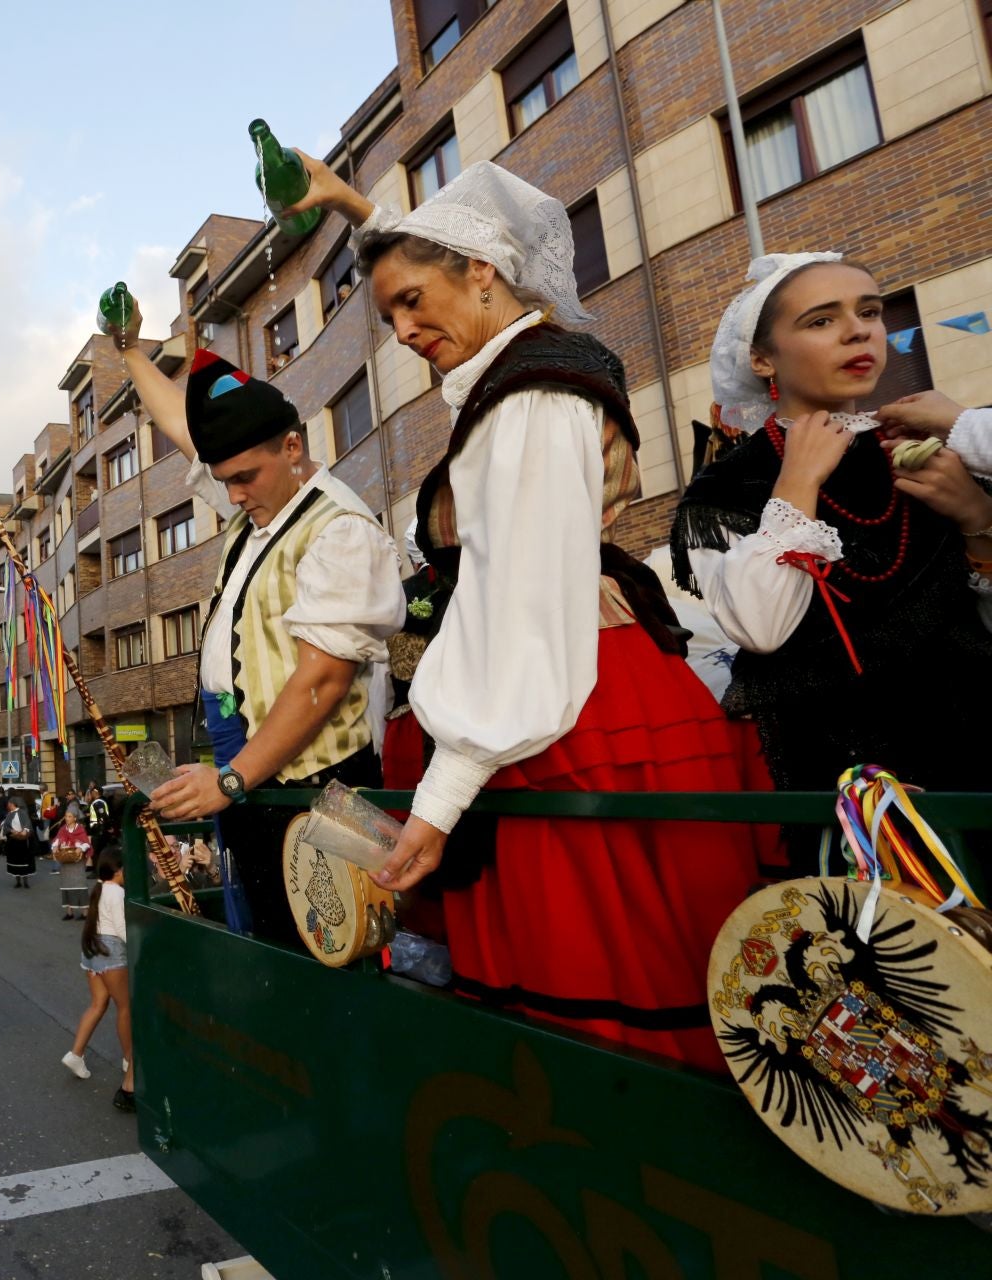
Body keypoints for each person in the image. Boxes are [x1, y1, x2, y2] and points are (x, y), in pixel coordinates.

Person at [277, 157, 761, 1068]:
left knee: (598, 1007)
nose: (406, 328)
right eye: (390, 317)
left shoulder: (531, 397)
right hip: (589, 692)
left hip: (560, 714)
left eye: (415, 302)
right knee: (646, 978)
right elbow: (438, 249)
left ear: (485, 275)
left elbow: (518, 606)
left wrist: (441, 799)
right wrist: (354, 206)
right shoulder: (537, 369)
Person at [117, 274, 405, 946]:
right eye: (227, 482)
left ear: (293, 447)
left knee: (327, 950)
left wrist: (234, 776)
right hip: (244, 753)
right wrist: (131, 351)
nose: (235, 493)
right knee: (271, 937)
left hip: (313, 777)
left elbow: (324, 680)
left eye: (246, 476)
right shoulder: (261, 508)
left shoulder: (338, 529)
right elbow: (193, 434)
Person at [673, 253, 992, 799]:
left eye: (869, 312)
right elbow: (761, 628)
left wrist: (978, 519)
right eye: (821, 320)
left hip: (977, 743)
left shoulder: (928, 449)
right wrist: (797, 482)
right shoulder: (724, 487)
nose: (857, 332)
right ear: (762, 359)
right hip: (843, 781)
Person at [62, 852, 135, 1112]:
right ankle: (129, 1060)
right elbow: (122, 929)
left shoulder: (101, 888)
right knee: (125, 1008)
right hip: (112, 952)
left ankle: (76, 1054)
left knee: (97, 1004)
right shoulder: (117, 892)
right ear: (118, 871)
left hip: (93, 950)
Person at [51, 808, 93, 920]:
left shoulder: (80, 829)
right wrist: (55, 846)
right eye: (66, 816)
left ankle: (85, 912)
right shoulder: (62, 829)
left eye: (69, 816)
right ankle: (69, 912)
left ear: (75, 818)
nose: (67, 818)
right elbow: (57, 840)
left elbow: (86, 843)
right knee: (66, 885)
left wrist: (80, 848)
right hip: (65, 861)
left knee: (80, 885)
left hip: (77, 862)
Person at [0, 795, 36, 888]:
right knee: (14, 862)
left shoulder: (22, 813)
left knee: (23, 861)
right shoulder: (9, 814)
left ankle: (25, 882)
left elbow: (27, 824)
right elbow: (6, 826)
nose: (8, 805)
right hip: (13, 841)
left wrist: (24, 831)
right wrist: (12, 831)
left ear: (12, 804)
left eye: (9, 803)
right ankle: (18, 882)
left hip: (22, 842)